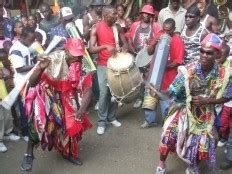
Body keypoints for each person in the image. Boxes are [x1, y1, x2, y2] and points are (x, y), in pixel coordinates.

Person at [155, 33, 232, 174]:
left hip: (206, 113)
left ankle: (192, 166)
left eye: (209, 53)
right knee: (168, 135)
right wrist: (159, 92)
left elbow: (228, 96)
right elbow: (172, 90)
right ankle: (161, 165)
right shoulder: (189, 69)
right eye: (201, 51)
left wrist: (208, 100)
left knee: (202, 144)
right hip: (185, 110)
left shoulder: (224, 73)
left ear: (217, 55)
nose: (203, 55)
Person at [20, 38, 92, 171]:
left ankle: (67, 152)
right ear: (66, 51)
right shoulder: (52, 58)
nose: (77, 59)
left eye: (79, 56)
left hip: (67, 95)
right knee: (41, 125)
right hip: (48, 93)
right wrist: (41, 69)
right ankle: (28, 153)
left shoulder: (83, 63)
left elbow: (88, 89)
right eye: (74, 55)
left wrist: (82, 109)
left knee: (71, 124)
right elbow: (32, 83)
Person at [89, 5, 128, 135]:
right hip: (103, 65)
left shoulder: (117, 27)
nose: (116, 16)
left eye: (116, 14)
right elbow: (91, 49)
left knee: (116, 93)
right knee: (104, 93)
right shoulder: (96, 27)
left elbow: (125, 43)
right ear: (105, 15)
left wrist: (124, 49)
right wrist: (105, 46)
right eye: (113, 14)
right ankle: (101, 121)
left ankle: (111, 117)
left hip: (117, 64)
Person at [141, 18, 184, 128]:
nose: (165, 33)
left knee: (166, 101)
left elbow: (178, 62)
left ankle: (168, 122)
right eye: (164, 30)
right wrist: (154, 42)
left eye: (168, 30)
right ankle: (150, 121)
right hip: (153, 74)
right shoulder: (160, 35)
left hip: (168, 76)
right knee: (150, 96)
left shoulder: (178, 41)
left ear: (174, 29)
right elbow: (149, 52)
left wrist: (162, 67)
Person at [129, 4, 161, 108]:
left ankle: (149, 100)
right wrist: (131, 48)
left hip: (151, 57)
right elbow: (129, 38)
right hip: (138, 55)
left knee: (149, 79)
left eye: (149, 14)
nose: (146, 15)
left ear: (152, 15)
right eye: (144, 13)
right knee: (138, 79)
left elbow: (159, 41)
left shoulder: (156, 26)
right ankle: (139, 97)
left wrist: (151, 42)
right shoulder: (135, 25)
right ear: (141, 14)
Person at [9, 27, 36, 142]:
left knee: (33, 107)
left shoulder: (27, 45)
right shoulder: (16, 49)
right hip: (21, 83)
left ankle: (34, 129)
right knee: (24, 108)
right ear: (23, 37)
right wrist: (37, 64)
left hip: (31, 80)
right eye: (30, 40)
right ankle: (25, 132)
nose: (32, 42)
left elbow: (31, 58)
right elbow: (19, 68)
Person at [0, 49, 20, 153]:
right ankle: (0, 141)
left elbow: (4, 73)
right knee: (0, 119)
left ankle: (8, 133)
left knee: (7, 116)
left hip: (3, 93)